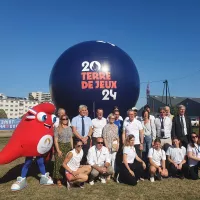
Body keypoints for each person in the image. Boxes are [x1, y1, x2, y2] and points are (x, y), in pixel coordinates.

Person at [53, 114, 73, 186]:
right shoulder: (57, 128)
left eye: (66, 119)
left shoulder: (69, 128)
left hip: (68, 146)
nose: (65, 120)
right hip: (60, 146)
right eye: (63, 119)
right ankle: (58, 179)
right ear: (61, 120)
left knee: (67, 163)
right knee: (59, 162)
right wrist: (58, 150)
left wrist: (72, 148)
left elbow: (71, 138)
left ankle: (65, 177)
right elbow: (55, 140)